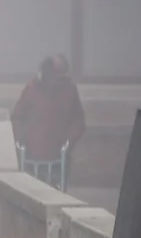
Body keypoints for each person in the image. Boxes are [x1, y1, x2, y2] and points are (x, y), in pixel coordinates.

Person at [11, 54, 86, 187]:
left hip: (58, 156)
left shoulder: (69, 90)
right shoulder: (32, 88)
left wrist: (69, 140)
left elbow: (78, 120)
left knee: (56, 192)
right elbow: (17, 116)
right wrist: (21, 138)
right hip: (31, 156)